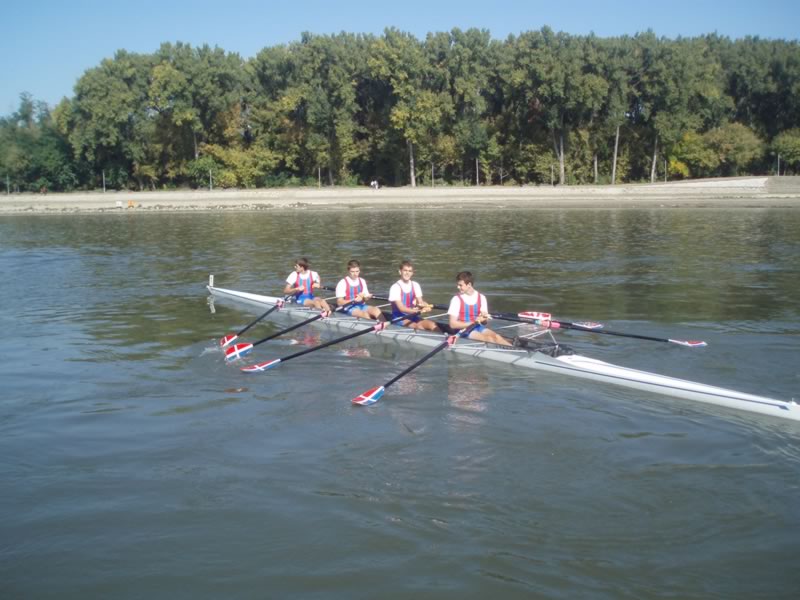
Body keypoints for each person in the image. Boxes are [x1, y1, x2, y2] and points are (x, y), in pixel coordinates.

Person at [447, 271, 512, 346]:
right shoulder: (456, 299)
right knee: (489, 339)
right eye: (458, 285)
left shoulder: (481, 297)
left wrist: (484, 318)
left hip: (478, 327)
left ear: (469, 284)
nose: (458, 287)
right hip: (463, 330)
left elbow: (484, 322)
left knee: (498, 337)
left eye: (460, 285)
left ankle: (514, 349)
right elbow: (452, 324)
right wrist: (473, 322)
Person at [388, 260, 440, 332]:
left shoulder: (415, 285)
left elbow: (420, 302)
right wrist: (418, 311)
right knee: (417, 327)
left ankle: (445, 337)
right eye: (405, 270)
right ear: (400, 272)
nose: (407, 273)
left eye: (410, 271)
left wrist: (425, 305)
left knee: (433, 325)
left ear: (412, 273)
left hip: (413, 316)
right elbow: (401, 308)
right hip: (399, 318)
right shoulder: (395, 287)